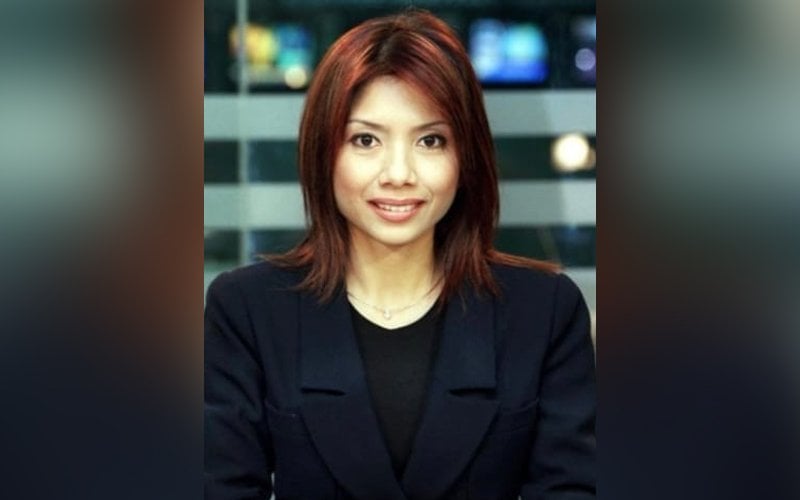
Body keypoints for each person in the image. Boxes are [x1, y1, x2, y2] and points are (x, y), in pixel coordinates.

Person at [205, 8, 595, 500]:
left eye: (430, 141)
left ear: (465, 158)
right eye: (365, 140)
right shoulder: (247, 310)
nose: (398, 174)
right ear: (324, 152)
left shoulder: (544, 311)